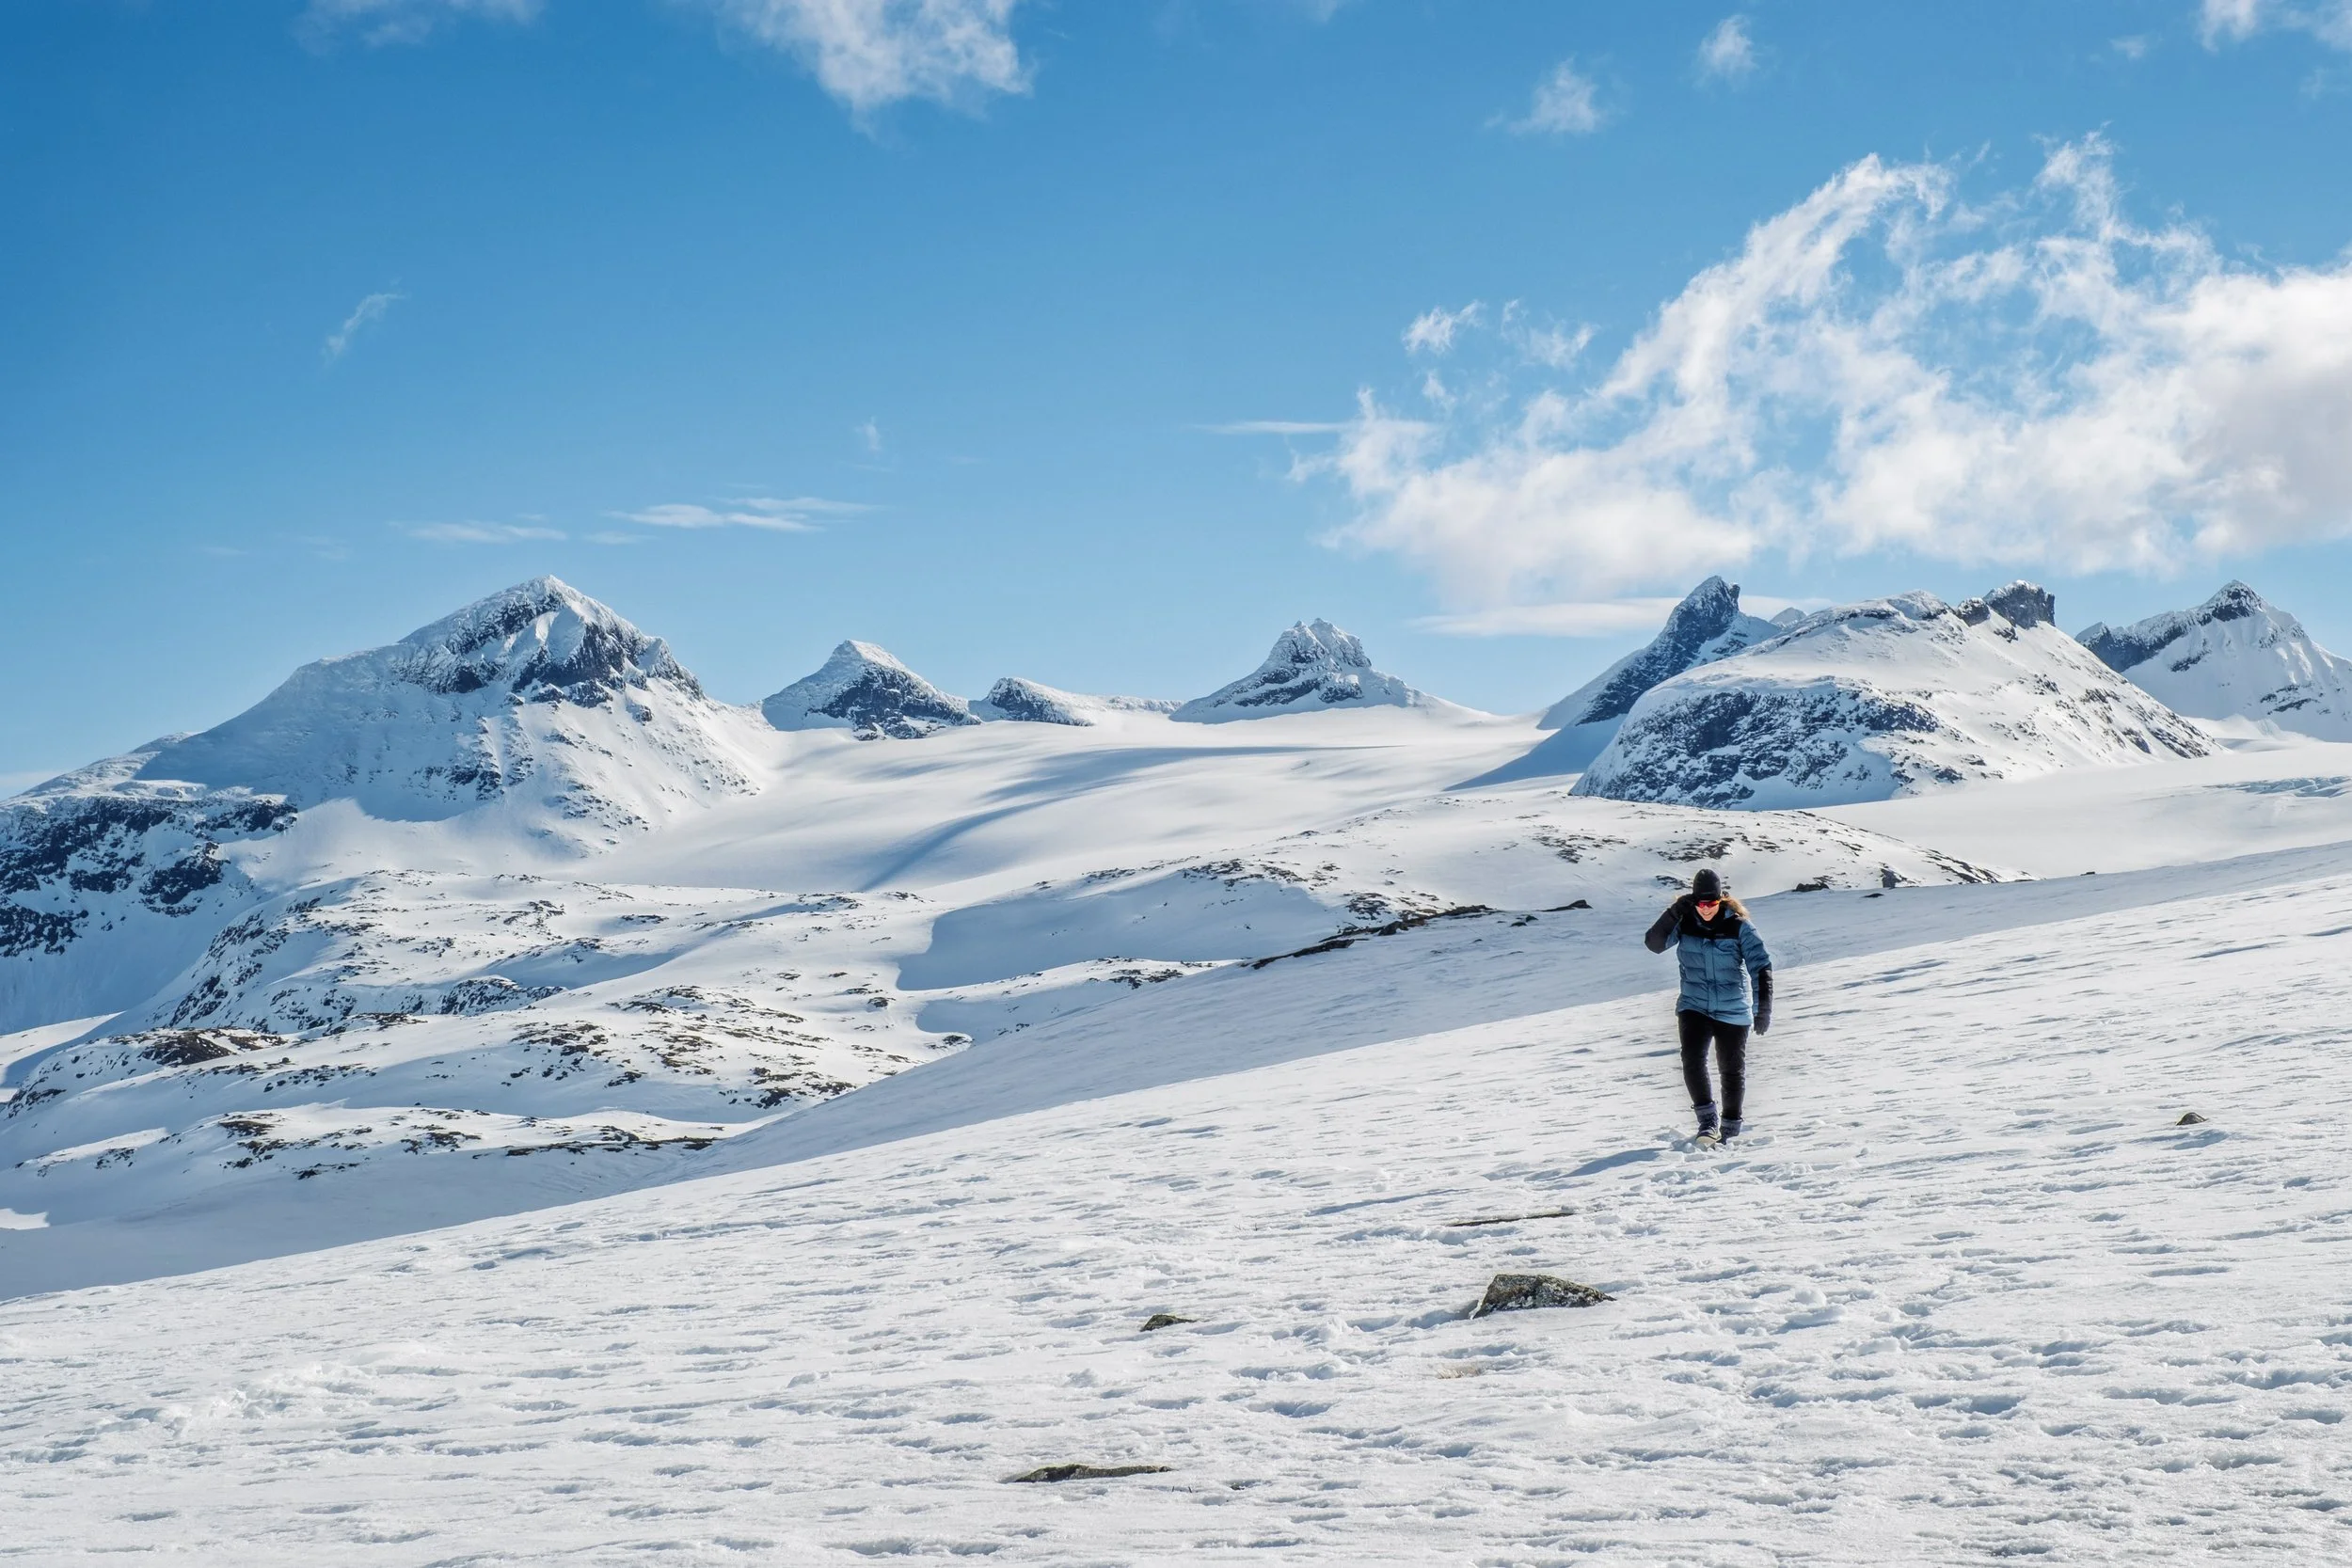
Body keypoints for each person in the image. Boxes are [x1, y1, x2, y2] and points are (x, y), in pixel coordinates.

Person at [1644, 867, 1773, 1143]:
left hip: (1733, 1008)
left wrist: (1762, 1009)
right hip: (1694, 1005)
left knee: (1731, 1069)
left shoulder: (1739, 926)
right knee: (1692, 1059)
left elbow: (1760, 966)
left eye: (1711, 903)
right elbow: (1654, 944)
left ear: (1720, 899)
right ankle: (1707, 1122)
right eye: (1700, 903)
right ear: (1693, 900)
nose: (1705, 909)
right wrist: (1674, 913)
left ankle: (1729, 1129)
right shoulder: (1684, 921)